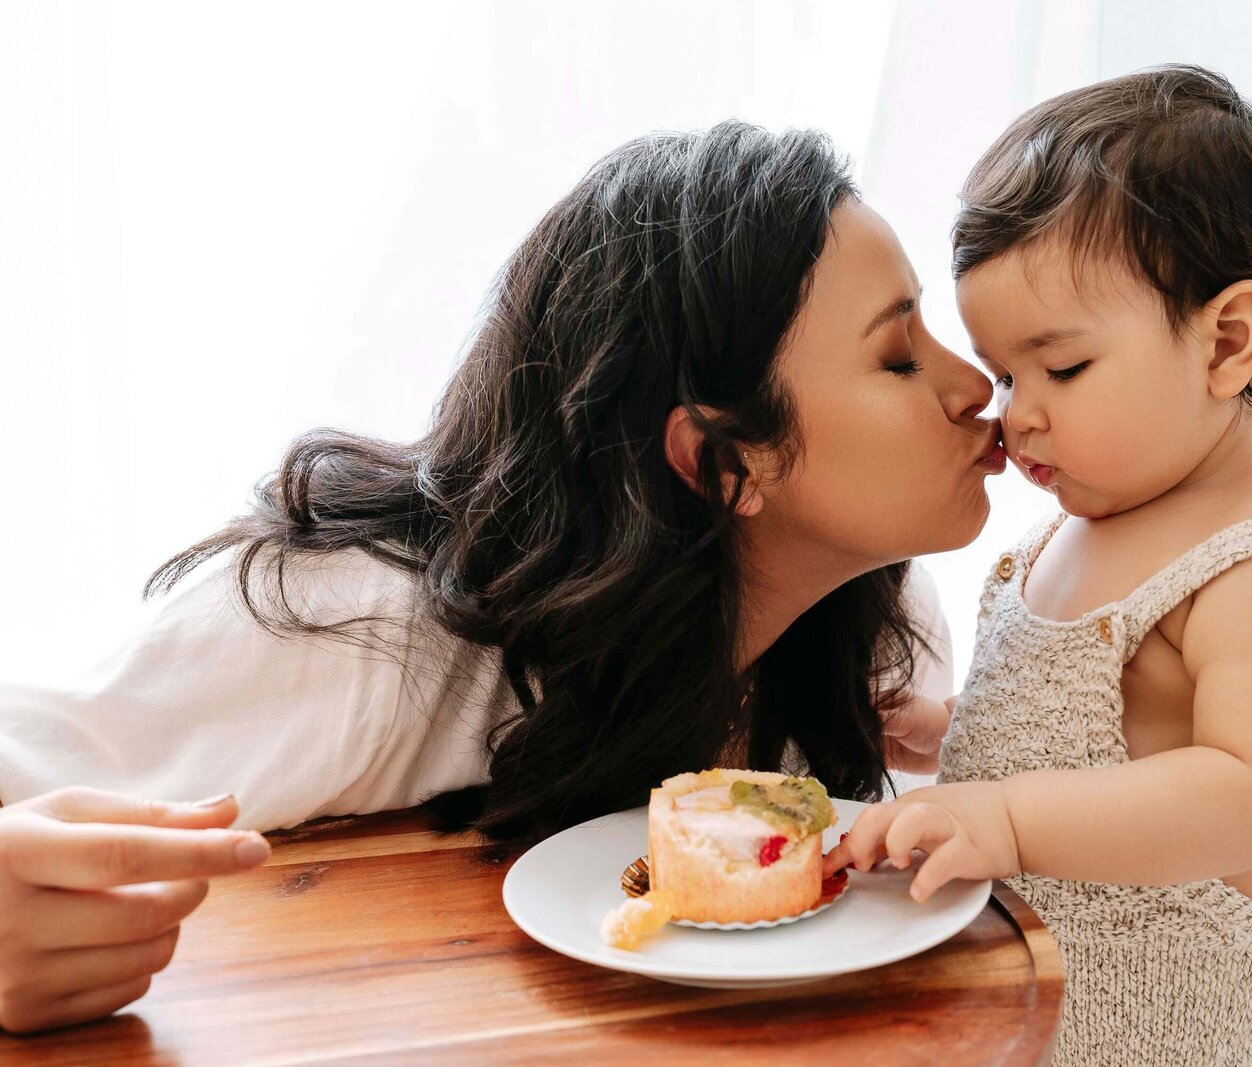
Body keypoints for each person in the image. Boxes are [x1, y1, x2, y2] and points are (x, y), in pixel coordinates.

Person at [0, 121, 1005, 1034]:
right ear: (718, 461)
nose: (973, 384)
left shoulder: (882, 623)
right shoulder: (360, 626)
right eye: (898, 356)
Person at [827, 66, 1252, 1065]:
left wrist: (1004, 817)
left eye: (1061, 367)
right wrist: (941, 735)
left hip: (1167, 1037)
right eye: (1002, 373)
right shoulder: (1072, 527)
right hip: (1025, 1023)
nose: (1015, 411)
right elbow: (1083, 742)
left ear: (1227, 340)